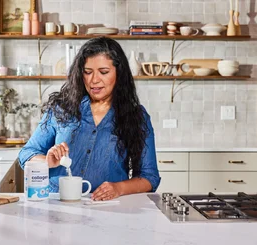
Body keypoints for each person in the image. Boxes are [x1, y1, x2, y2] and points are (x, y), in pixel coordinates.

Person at [18, 36, 160, 201]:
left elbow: (150, 177)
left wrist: (118, 188)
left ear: (119, 73)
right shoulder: (62, 109)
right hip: (56, 203)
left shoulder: (136, 117)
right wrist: (47, 161)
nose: (94, 80)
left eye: (104, 72)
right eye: (87, 72)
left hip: (107, 208)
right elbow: (26, 154)